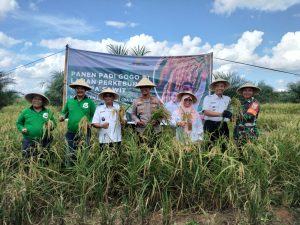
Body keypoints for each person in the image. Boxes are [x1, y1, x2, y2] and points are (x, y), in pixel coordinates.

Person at [59, 79, 96, 157]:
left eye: (82, 88)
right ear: (75, 89)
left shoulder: (90, 102)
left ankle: (82, 168)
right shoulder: (69, 102)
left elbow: (94, 115)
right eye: (78, 88)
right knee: (70, 153)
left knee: (83, 153)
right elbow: (63, 112)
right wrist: (62, 116)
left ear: (85, 90)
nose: (80, 90)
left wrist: (90, 122)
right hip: (71, 132)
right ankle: (69, 168)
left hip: (85, 132)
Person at [16, 92, 57, 161]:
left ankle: (42, 170)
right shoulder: (26, 111)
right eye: (35, 98)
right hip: (28, 140)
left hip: (44, 140)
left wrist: (51, 126)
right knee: (27, 158)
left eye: (39, 99)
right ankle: (28, 171)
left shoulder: (48, 112)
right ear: (32, 100)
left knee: (43, 158)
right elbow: (19, 123)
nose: (36, 101)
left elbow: (54, 124)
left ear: (43, 101)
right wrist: (22, 129)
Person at [92, 88, 126, 153]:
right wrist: (101, 125)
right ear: (103, 98)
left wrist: (123, 121)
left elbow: (124, 121)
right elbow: (94, 123)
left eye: (110, 96)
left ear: (113, 98)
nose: (108, 97)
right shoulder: (99, 108)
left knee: (116, 159)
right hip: (103, 140)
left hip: (116, 138)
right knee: (104, 160)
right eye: (106, 96)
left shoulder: (118, 108)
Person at [202, 78, 232, 149]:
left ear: (224, 87)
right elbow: (206, 112)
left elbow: (231, 112)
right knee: (209, 146)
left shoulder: (228, 99)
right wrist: (221, 114)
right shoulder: (208, 98)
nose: (219, 88)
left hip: (223, 126)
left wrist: (230, 115)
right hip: (210, 125)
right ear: (214, 87)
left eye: (221, 86)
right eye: (217, 86)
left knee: (224, 146)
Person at [131, 76, 162, 143]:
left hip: (155, 130)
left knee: (155, 150)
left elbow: (161, 114)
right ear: (140, 88)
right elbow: (133, 114)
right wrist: (138, 121)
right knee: (142, 149)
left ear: (150, 88)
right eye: (142, 87)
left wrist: (157, 121)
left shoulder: (156, 100)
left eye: (146, 87)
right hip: (141, 130)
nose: (144, 89)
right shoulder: (136, 101)